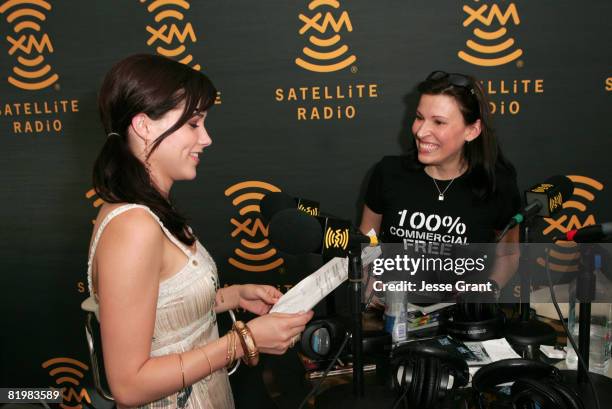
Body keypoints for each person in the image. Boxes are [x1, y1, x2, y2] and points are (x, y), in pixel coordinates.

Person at [86, 54, 313, 409]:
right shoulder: (133, 227)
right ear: (144, 126)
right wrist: (243, 341)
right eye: (193, 124)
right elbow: (128, 384)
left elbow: (162, 311)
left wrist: (233, 296)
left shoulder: (151, 211)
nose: (206, 138)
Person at [360, 71, 521, 299]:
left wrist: (489, 289)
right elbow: (368, 238)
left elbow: (508, 255)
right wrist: (369, 281)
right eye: (419, 117)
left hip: (462, 321)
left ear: (472, 130)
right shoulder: (389, 173)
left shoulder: (497, 183)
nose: (421, 131)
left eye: (439, 122)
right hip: (394, 314)